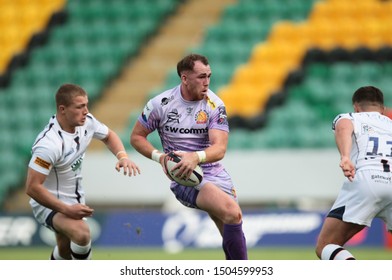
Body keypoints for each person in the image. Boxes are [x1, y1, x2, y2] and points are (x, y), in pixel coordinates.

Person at [130, 53, 248, 260]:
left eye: (209, 76)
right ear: (185, 78)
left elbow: (219, 149)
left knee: (229, 224)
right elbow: (137, 137)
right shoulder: (161, 104)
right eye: (201, 77)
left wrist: (195, 156)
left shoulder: (214, 105)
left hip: (213, 172)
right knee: (232, 212)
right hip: (186, 177)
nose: (207, 82)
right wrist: (161, 158)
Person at [25, 83, 140, 260]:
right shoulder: (49, 145)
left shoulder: (87, 123)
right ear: (63, 109)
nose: (86, 111)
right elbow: (32, 187)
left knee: (64, 249)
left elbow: (109, 135)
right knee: (82, 233)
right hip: (47, 201)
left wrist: (122, 156)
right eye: (80, 107)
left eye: (86, 105)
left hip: (74, 196)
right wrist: (67, 209)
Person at [315, 85, 392, 260]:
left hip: (368, 179)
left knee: (326, 245)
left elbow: (343, 128)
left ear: (356, 107)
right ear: (383, 109)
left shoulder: (351, 117)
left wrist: (345, 157)